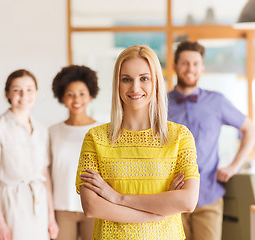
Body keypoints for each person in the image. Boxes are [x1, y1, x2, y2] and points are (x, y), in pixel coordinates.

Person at [75, 45, 200, 239]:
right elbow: (92, 206)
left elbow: (187, 201)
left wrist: (117, 198)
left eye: (144, 78)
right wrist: (158, 212)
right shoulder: (96, 138)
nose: (135, 87)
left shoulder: (180, 137)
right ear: (117, 84)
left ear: (156, 83)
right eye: (126, 79)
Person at [168, 41, 255, 240]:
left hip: (208, 197)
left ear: (202, 68)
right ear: (174, 66)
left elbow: (250, 129)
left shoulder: (217, 102)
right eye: (185, 63)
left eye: (195, 63)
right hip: (170, 198)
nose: (190, 68)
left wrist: (234, 166)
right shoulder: (159, 104)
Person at [0, 69, 59, 240]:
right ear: (8, 94)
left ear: (36, 92)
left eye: (29, 89)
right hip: (10, 204)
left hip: (38, 206)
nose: (24, 95)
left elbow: (45, 176)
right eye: (17, 90)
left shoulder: (41, 130)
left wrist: (51, 217)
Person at [49, 65, 101, 240]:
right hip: (62, 206)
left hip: (94, 205)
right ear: (62, 97)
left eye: (81, 93)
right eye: (70, 94)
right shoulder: (53, 131)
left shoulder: (101, 130)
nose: (76, 99)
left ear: (91, 95)